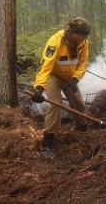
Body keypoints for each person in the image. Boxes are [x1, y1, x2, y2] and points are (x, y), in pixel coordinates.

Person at [31, 17, 90, 158]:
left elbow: (82, 63)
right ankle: (48, 140)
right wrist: (39, 88)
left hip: (69, 77)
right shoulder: (55, 42)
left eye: (85, 36)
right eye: (81, 36)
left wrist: (75, 79)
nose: (83, 39)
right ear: (72, 33)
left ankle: (81, 126)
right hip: (53, 75)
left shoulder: (83, 43)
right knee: (56, 104)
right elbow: (45, 67)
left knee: (79, 104)